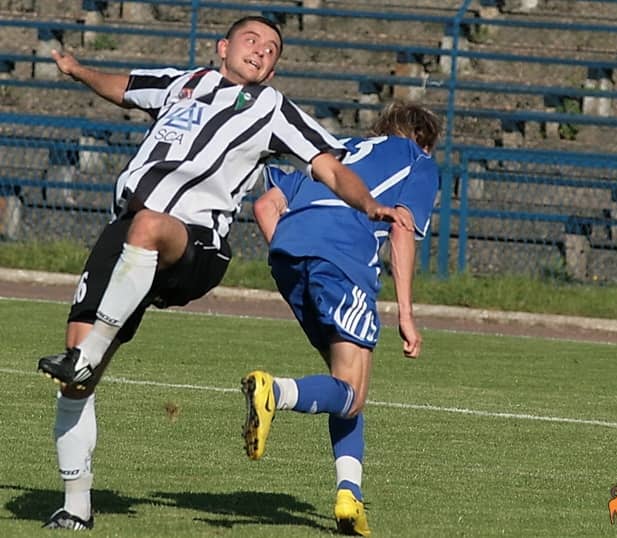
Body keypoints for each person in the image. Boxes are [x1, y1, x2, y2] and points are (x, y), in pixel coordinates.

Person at [35, 16, 409, 530]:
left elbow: (330, 166)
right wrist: (78, 70)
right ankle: (75, 508)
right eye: (252, 40)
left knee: (147, 229)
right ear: (223, 47)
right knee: (76, 385)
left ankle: (86, 356)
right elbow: (124, 87)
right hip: (123, 239)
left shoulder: (273, 109)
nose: (261, 51)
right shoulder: (182, 84)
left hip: (197, 242)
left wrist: (368, 204)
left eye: (272, 49)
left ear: (273, 68)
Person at [242, 101, 441, 536]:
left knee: (346, 383)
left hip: (289, 255)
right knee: (351, 392)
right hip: (342, 258)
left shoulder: (333, 149)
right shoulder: (418, 161)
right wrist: (407, 314)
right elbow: (401, 227)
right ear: (423, 139)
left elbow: (265, 207)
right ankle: (276, 392)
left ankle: (349, 496)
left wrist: (299, 250)